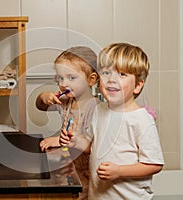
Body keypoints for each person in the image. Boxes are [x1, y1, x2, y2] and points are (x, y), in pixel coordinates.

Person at [60, 43, 164, 199]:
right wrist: (75, 141)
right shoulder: (100, 110)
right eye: (106, 72)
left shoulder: (141, 120)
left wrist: (119, 171)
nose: (111, 80)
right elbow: (93, 147)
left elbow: (154, 164)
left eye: (122, 74)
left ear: (137, 85)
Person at [36, 46, 99, 200]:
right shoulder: (65, 101)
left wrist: (58, 140)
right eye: (60, 78)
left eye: (71, 78)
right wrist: (44, 97)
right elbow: (40, 106)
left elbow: (95, 145)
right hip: (70, 166)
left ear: (91, 79)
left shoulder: (96, 108)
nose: (63, 83)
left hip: (89, 171)